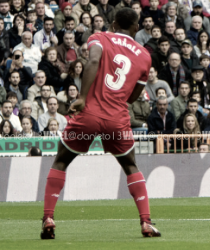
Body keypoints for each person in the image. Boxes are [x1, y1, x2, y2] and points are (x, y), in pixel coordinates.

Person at [40, 8, 161, 239]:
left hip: (88, 117)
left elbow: (93, 60)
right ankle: (146, 222)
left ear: (113, 24)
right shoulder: (145, 55)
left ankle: (48, 217)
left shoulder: (100, 37)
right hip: (117, 120)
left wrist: (84, 97)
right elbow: (133, 96)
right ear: (137, 27)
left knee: (62, 161)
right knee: (130, 166)